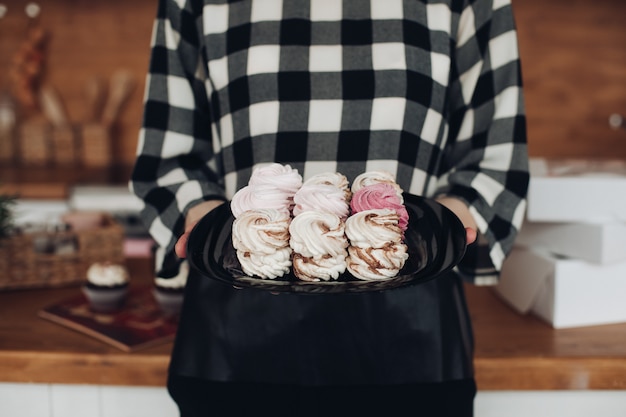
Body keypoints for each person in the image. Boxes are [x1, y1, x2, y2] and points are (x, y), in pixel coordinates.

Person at [131, 0, 529, 416]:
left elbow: (494, 158)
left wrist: (450, 221)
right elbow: (169, 159)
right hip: (235, 336)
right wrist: (205, 220)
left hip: (410, 338)